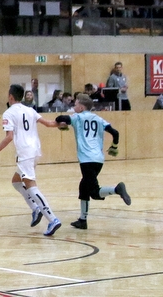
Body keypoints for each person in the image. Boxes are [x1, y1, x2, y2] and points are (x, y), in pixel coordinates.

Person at [0, 84, 63, 236]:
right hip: (35, 150)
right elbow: (49, 123)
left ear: (11, 97)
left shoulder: (8, 113)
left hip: (25, 152)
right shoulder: (30, 109)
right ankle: (35, 209)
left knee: (31, 186)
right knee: (16, 181)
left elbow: (9, 137)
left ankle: (52, 218)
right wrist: (64, 122)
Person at [54, 94, 131, 230]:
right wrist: (114, 146)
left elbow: (60, 118)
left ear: (81, 107)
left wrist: (61, 123)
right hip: (98, 159)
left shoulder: (77, 117)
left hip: (86, 159)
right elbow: (115, 133)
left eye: (76, 104)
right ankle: (82, 220)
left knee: (94, 192)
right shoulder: (99, 118)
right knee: (84, 186)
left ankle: (116, 189)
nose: (74, 106)